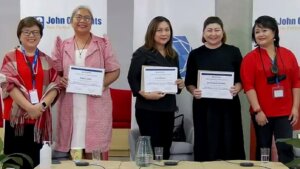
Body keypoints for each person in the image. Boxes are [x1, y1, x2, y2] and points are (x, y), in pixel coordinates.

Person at [52, 6, 120, 160]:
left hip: (96, 105)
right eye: (78, 17)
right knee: (74, 154)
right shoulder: (62, 45)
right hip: (72, 106)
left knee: (94, 154)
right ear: (71, 21)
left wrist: (99, 84)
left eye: (87, 18)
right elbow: (55, 72)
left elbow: (115, 70)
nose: (82, 20)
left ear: (92, 22)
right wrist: (59, 79)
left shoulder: (102, 44)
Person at [0, 16, 60, 168]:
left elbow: (56, 86)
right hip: (17, 122)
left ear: (40, 36)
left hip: (39, 121)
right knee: (15, 163)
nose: (31, 36)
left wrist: (41, 106)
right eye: (26, 32)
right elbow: (9, 85)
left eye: (35, 32)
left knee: (38, 163)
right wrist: (30, 108)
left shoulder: (47, 60)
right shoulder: (10, 57)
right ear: (19, 35)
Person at [184, 16, 245, 161]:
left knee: (231, 142)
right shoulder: (195, 54)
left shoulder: (233, 52)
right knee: (206, 144)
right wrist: (194, 91)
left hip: (229, 107)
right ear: (203, 33)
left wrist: (238, 87)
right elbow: (189, 82)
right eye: (209, 30)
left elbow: (242, 79)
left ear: (223, 32)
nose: (213, 33)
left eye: (217, 30)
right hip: (204, 108)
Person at [240, 15, 300, 161]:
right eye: (257, 32)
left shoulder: (288, 54)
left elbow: (296, 82)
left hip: (285, 112)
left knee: (286, 149)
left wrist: (295, 108)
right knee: (263, 150)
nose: (260, 34)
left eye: (264, 30)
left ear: (274, 33)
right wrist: (258, 110)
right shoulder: (250, 58)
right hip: (262, 113)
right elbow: (248, 86)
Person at [127, 16, 184, 159]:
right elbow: (132, 78)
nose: (164, 33)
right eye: (159, 30)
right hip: (147, 109)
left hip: (168, 109)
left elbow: (176, 85)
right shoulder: (142, 53)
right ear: (152, 32)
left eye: (167, 30)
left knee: (165, 150)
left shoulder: (173, 54)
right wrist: (144, 94)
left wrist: (180, 84)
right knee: (150, 151)